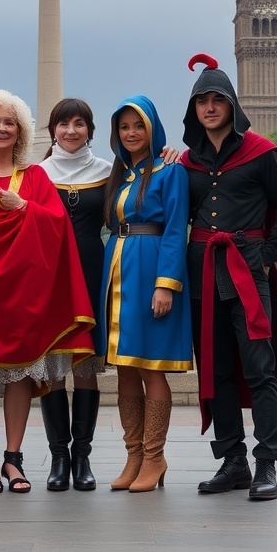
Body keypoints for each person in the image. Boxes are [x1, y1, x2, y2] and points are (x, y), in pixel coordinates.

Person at [0, 89, 95, 494]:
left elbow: (57, 225)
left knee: (19, 376)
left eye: (9, 122)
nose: (2, 128)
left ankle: (14, 458)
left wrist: (24, 209)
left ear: (21, 130)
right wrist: (11, 213)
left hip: (26, 293)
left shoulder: (37, 177)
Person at [180, 54, 277, 501]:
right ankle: (233, 462)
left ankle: (266, 463)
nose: (210, 107)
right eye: (202, 101)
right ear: (193, 110)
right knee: (216, 370)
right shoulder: (187, 164)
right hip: (202, 273)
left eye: (218, 100)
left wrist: (266, 253)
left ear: (232, 105)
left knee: (259, 369)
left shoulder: (261, 152)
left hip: (247, 272)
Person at [100, 95, 193, 492]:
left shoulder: (170, 172)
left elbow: (175, 230)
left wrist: (165, 284)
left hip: (151, 269)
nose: (131, 133)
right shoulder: (121, 176)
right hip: (119, 269)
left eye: (138, 126)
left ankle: (154, 456)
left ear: (153, 129)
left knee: (150, 367)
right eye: (124, 127)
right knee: (124, 366)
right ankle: (133, 454)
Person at [40, 99, 112, 490]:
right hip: (50, 279)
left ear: (90, 129)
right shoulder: (36, 174)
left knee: (85, 366)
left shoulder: (107, 172)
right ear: (52, 130)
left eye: (79, 123)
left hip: (91, 273)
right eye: (63, 123)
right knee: (53, 368)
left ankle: (82, 457)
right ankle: (59, 457)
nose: (71, 130)